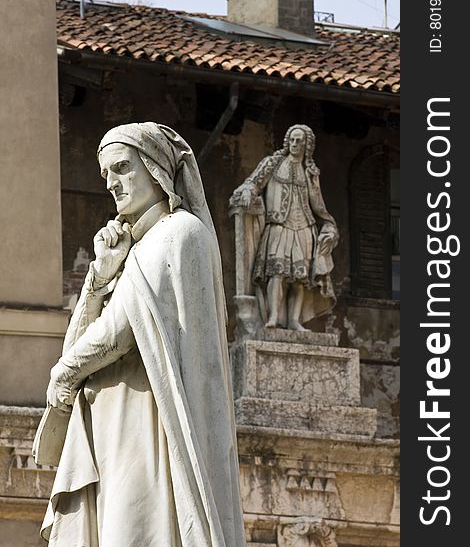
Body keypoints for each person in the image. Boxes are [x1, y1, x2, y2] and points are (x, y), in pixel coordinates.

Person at [41, 123, 246, 547]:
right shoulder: (132, 249)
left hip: (149, 431)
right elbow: (79, 339)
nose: (112, 184)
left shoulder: (178, 234)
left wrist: (63, 373)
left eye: (121, 168)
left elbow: (118, 333)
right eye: (106, 175)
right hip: (113, 430)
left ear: (155, 168)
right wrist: (99, 275)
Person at [232, 124, 338, 331]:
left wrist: (330, 227)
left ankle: (294, 321)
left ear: (308, 145)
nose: (295, 144)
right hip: (278, 226)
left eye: (300, 141)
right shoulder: (272, 163)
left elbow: (319, 206)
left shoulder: (310, 173)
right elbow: (253, 182)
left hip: (304, 228)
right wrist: (247, 190)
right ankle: (272, 317)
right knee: (276, 273)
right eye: (292, 140)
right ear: (287, 142)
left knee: (299, 280)